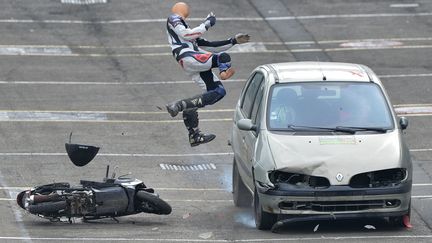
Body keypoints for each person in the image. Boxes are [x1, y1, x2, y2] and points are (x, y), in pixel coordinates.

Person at [165, 2, 250, 147]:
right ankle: (223, 72)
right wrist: (207, 23)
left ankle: (194, 134)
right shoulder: (174, 19)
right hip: (189, 57)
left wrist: (233, 41)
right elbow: (188, 34)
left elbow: (210, 45)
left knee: (218, 91)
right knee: (223, 57)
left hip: (193, 62)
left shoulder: (185, 28)